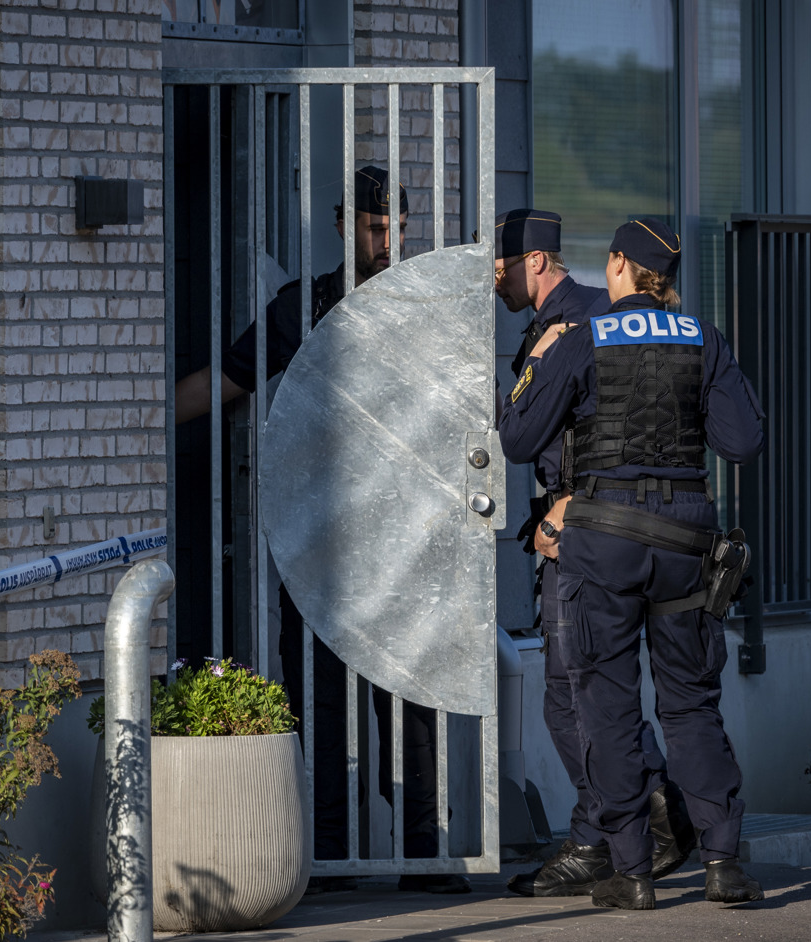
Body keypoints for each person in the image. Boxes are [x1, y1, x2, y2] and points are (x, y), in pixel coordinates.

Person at [173, 166, 470, 895]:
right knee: (322, 701)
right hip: (323, 543)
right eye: (374, 227)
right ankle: (332, 855)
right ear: (343, 224)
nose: (387, 241)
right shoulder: (302, 309)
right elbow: (230, 377)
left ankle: (423, 851)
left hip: (405, 541)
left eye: (397, 226)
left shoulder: (429, 305)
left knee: (409, 702)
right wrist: (130, 418)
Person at [497, 217, 766, 910]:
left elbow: (520, 437)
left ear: (618, 265)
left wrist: (538, 363)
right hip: (685, 543)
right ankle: (723, 863)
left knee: (608, 707)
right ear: (666, 277)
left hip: (605, 542)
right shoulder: (704, 338)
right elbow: (743, 441)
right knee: (691, 706)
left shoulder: (584, 337)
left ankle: (633, 873)